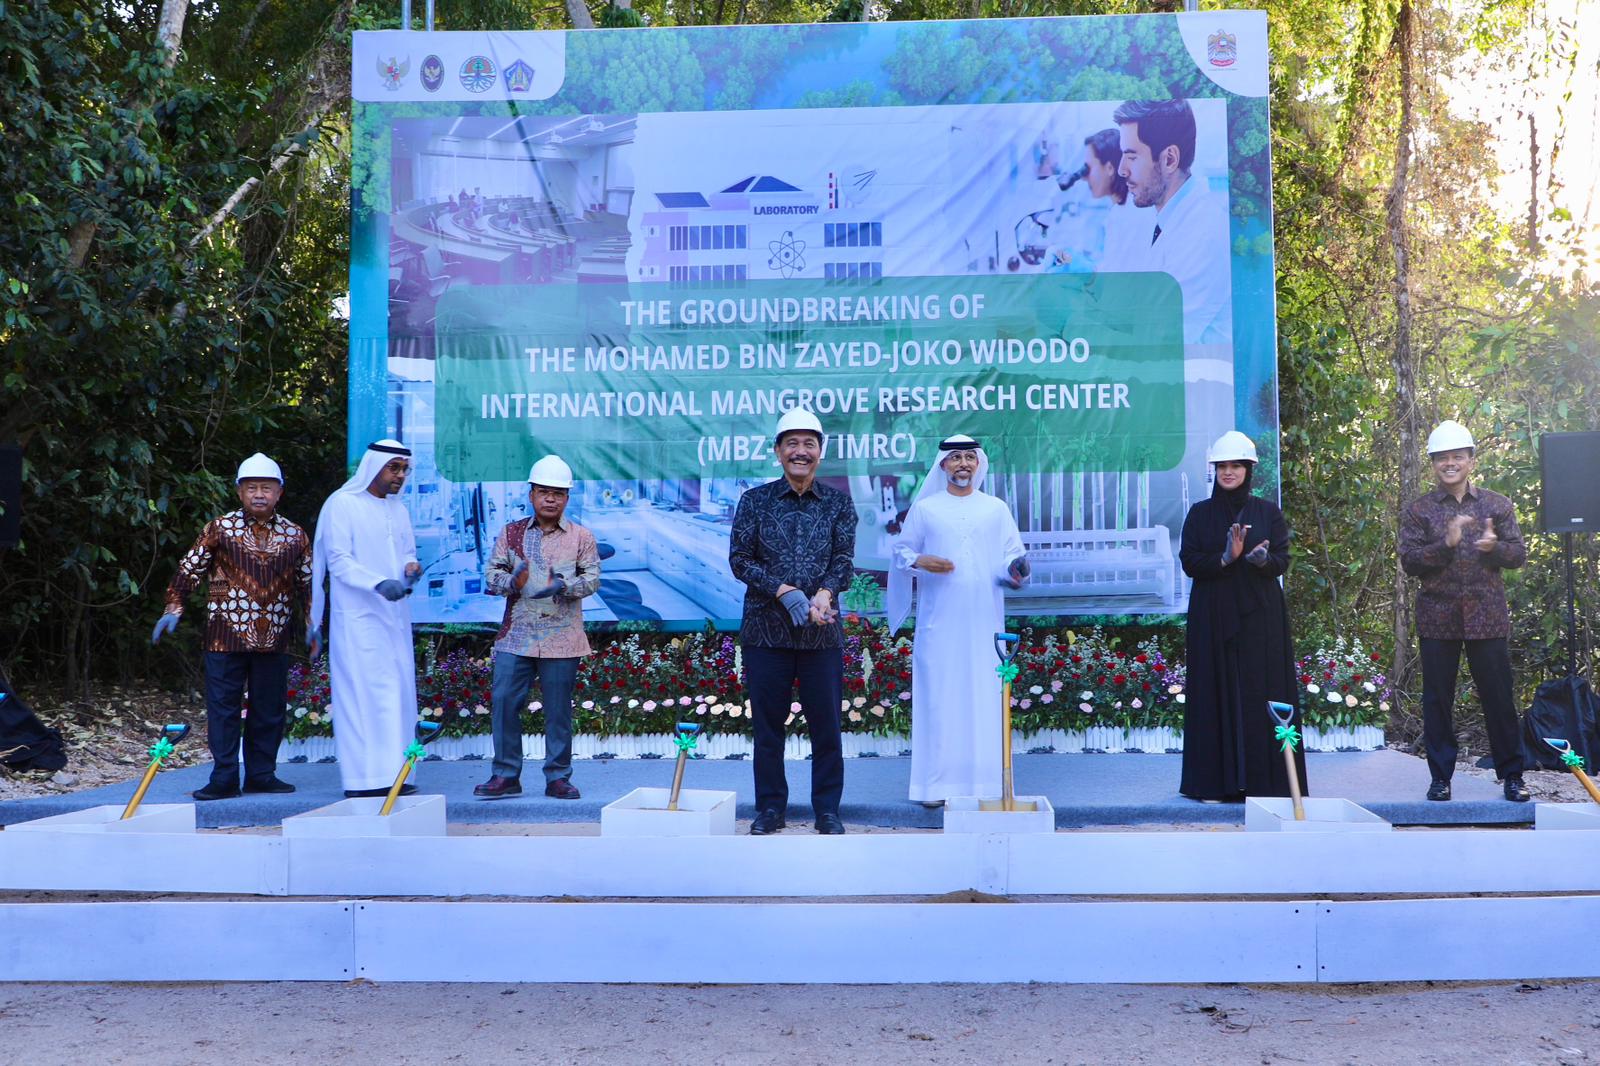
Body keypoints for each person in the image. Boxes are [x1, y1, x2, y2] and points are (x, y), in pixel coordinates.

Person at [152, 453, 313, 800]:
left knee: (268, 710)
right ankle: (224, 777)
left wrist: (313, 621)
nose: (259, 494)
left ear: (279, 492)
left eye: (266, 488)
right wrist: (173, 606)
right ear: (239, 492)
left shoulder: (295, 534)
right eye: (252, 488)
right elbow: (190, 568)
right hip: (224, 634)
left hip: (275, 636)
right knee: (223, 709)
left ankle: (261, 774)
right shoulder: (219, 528)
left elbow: (307, 583)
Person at [729, 408, 856, 835]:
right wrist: (782, 590)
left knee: (827, 729)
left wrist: (825, 593)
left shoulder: (838, 503)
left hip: (822, 634)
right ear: (778, 451)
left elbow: (843, 561)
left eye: (809, 444)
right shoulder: (755, 501)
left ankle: (827, 810)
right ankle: (770, 809)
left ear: (820, 451)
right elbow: (739, 560)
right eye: (792, 444)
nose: (801, 452)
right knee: (768, 729)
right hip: (766, 632)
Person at [887, 435, 1027, 807]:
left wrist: (1017, 568)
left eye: (969, 457)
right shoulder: (926, 509)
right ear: (943, 465)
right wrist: (920, 560)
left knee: (983, 697)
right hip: (939, 624)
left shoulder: (995, 509)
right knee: (939, 700)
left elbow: (1012, 555)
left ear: (978, 463)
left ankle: (986, 785)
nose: (963, 463)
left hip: (984, 623)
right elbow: (901, 551)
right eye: (955, 458)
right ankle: (934, 788)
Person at [1399, 420, 1530, 802]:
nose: (1450, 463)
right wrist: (1446, 544)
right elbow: (1410, 562)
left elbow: (1518, 555)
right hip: (1437, 618)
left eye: (1458, 456)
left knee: (1499, 698)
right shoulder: (1419, 510)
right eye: (1442, 458)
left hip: (1487, 617)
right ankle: (1440, 779)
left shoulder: (1497, 505)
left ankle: (1513, 777)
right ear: (1433, 464)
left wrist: (1494, 548)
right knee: (1437, 700)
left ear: (1472, 461)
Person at [1178, 431, 1306, 801]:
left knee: (1261, 689)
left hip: (1260, 616)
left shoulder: (1267, 512)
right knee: (1213, 690)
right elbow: (1189, 561)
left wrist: (1263, 561)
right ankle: (1213, 784)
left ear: (1249, 469)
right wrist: (1225, 559)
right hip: (1213, 614)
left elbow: (1282, 559)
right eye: (1222, 466)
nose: (1228, 472)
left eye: (1236, 465)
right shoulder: (1200, 513)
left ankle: (1267, 783)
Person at [474, 455, 602, 800]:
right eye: (544, 492)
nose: (550, 499)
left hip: (562, 636)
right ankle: (505, 775)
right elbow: (491, 575)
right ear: (531, 494)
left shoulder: (581, 537)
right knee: (504, 702)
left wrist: (564, 585)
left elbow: (592, 579)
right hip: (517, 635)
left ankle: (558, 777)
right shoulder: (511, 533)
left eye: (558, 493)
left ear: (567, 498)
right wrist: (512, 581)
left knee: (558, 710)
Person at [310, 439, 422, 798]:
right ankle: (363, 781)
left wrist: (410, 568)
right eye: (394, 468)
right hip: (359, 620)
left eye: (404, 469)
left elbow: (406, 552)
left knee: (397, 695)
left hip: (394, 618)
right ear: (374, 467)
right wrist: (378, 583)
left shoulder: (398, 509)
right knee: (362, 696)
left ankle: (397, 776)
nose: (400, 475)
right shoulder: (342, 504)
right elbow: (338, 561)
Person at [1113, 98, 1233, 346]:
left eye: (1131, 157)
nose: (1121, 170)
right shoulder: (1169, 219)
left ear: (1169, 159)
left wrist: (1070, 323)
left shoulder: (1204, 232)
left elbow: (1158, 340)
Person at [1048, 128, 1146, 275]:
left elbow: (1117, 278)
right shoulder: (1120, 210)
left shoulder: (1129, 216)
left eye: (1088, 169)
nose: (1084, 177)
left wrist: (1079, 266)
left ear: (1109, 168)